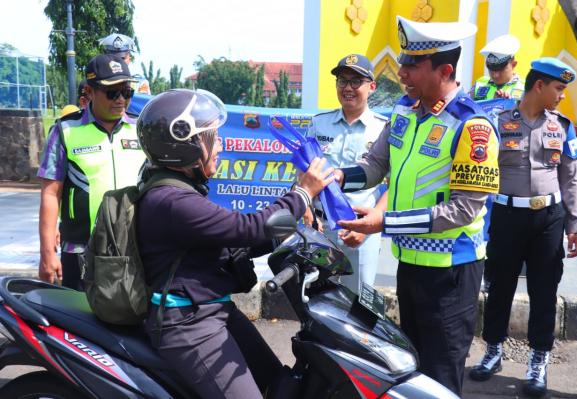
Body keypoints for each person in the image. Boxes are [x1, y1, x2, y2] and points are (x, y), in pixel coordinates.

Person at [334, 16, 500, 396]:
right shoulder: (404, 113)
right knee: (411, 368)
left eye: (412, 65)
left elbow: (463, 211)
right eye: (404, 62)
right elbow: (376, 166)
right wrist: (337, 177)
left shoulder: (472, 126)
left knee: (440, 376)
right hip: (409, 266)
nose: (402, 72)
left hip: (451, 274)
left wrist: (385, 223)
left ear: (444, 70)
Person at [135, 89, 333, 398]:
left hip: (213, 309)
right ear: (183, 145)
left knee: (279, 386)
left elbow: (233, 242)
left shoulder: (183, 190)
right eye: (211, 137)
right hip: (188, 325)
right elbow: (246, 228)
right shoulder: (170, 200)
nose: (220, 145)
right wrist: (302, 193)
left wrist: (288, 228)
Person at [469, 58, 577, 397]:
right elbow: (478, 170)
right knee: (498, 286)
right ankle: (493, 351)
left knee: (544, 290)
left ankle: (539, 360)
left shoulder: (562, 125)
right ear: (539, 86)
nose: (562, 96)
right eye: (559, 89)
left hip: (548, 220)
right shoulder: (497, 122)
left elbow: (572, 176)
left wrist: (576, 225)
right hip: (506, 217)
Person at [37, 54, 147, 290]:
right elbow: (50, 194)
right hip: (81, 252)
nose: (121, 100)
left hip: (134, 249)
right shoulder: (65, 131)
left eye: (126, 92)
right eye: (112, 93)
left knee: (133, 322)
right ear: (90, 91)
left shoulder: (140, 130)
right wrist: (47, 253)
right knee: (78, 323)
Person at [303, 53, 387, 293]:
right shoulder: (319, 123)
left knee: (357, 304)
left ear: (372, 86)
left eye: (355, 81)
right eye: (342, 81)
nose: (348, 88)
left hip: (360, 229)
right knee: (317, 298)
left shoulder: (384, 128)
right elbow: (304, 172)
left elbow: (395, 185)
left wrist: (371, 224)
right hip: (320, 228)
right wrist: (307, 210)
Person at [470, 34, 524, 101]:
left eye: (500, 70)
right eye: (491, 70)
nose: (495, 75)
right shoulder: (480, 83)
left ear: (513, 64)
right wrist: (492, 104)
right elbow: (466, 110)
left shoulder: (524, 89)